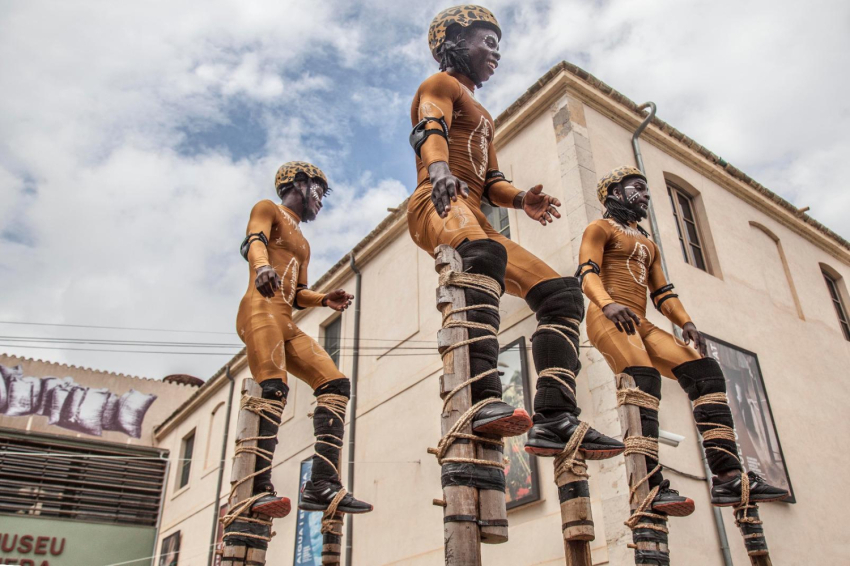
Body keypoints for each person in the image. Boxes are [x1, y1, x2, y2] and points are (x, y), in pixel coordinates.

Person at [407, 5, 624, 459]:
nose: (495, 53)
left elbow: (489, 182)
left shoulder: (484, 114)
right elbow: (430, 127)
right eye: (487, 41)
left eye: (498, 44)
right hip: (438, 200)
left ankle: (555, 417)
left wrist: (521, 199)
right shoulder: (440, 85)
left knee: (562, 294)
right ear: (454, 43)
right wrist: (441, 170)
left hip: (473, 210)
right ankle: (484, 397)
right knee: (481, 253)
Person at [577, 165, 789, 516]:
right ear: (615, 193)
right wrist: (608, 303)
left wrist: (687, 323)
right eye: (637, 188)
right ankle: (651, 482)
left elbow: (662, 292)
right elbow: (587, 272)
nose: (645, 195)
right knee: (643, 377)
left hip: (640, 320)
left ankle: (728, 475)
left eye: (646, 189)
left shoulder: (648, 243)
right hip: (608, 316)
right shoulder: (598, 228)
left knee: (707, 372)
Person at [236, 161, 372, 520]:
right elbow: (254, 240)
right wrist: (261, 266)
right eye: (320, 192)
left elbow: (298, 295)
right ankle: (256, 487)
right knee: (273, 391)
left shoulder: (304, 242)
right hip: (259, 311)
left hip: (285, 318)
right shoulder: (267, 208)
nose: (321, 202)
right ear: (300, 182)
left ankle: (322, 482)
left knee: (335, 384)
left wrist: (324, 299)